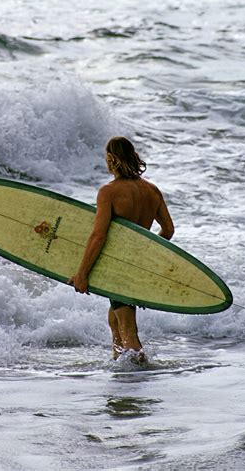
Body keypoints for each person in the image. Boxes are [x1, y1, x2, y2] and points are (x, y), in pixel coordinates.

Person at [68, 136, 174, 361]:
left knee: (128, 328)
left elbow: (98, 236)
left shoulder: (109, 192)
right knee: (116, 320)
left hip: (117, 266)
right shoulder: (152, 191)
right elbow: (168, 230)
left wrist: (82, 274)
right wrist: (144, 254)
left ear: (111, 159)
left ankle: (137, 376)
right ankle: (120, 367)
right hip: (135, 265)